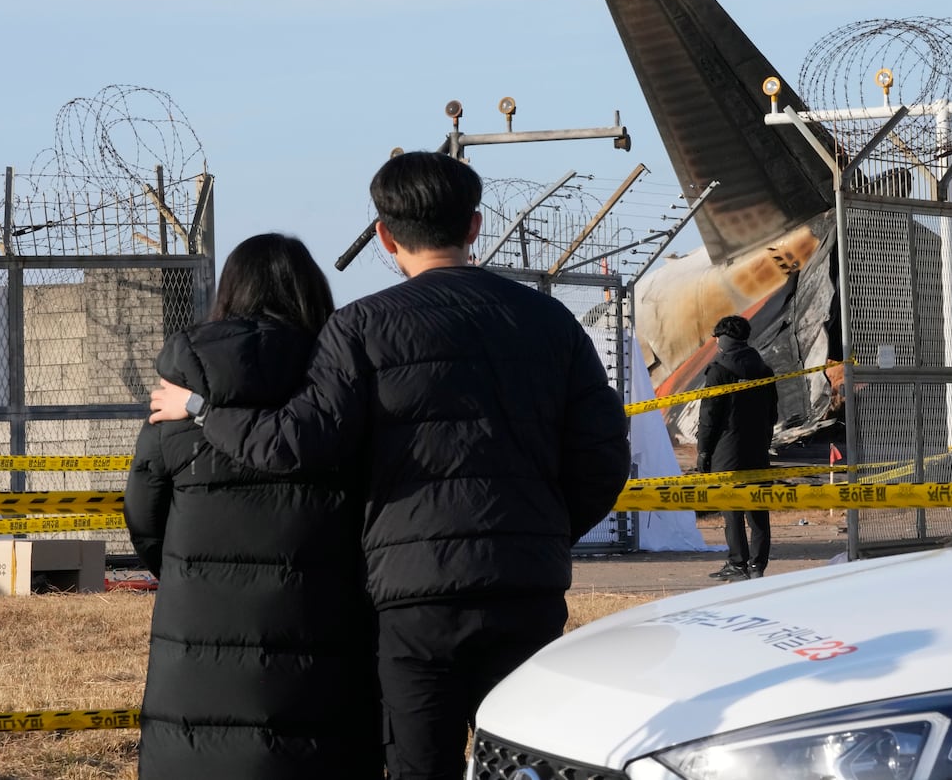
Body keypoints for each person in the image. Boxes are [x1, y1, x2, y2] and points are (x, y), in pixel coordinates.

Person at [149, 151, 631, 780]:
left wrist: (204, 410)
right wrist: (541, 530)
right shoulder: (550, 320)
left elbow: (295, 445)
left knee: (416, 763)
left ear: (384, 236)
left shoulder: (362, 326)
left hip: (415, 593)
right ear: (475, 226)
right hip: (526, 583)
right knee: (522, 760)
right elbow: (604, 454)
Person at [124, 233, 379, 780]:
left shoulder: (180, 390)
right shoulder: (343, 383)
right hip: (324, 623)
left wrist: (187, 572)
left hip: (198, 633)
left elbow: (145, 513)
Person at [695, 314, 778, 581]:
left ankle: (737, 563)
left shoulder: (718, 370)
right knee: (758, 509)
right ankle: (758, 565)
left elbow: (709, 417)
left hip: (726, 450)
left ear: (723, 338)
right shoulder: (764, 369)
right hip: (757, 448)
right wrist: (764, 439)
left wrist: (703, 452)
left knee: (732, 510)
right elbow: (772, 413)